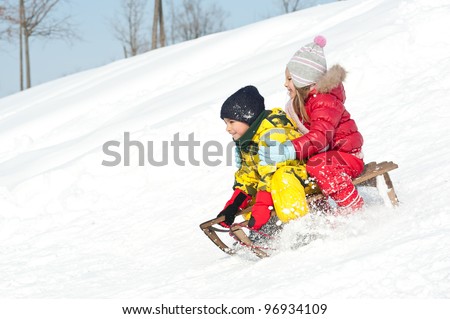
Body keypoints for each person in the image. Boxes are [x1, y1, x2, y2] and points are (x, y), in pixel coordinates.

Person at [259, 36, 365, 213]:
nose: (285, 84)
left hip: (348, 156)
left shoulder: (324, 100)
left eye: (290, 79)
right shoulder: (302, 104)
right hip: (330, 156)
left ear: (303, 80)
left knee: (317, 165)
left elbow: (320, 137)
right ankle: (322, 215)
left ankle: (353, 208)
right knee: (304, 168)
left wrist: (289, 149)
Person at [216, 85, 320, 230]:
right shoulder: (247, 141)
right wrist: (233, 206)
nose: (227, 128)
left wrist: (262, 207)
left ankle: (299, 226)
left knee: (280, 178)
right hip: (284, 184)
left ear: (248, 117)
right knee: (253, 194)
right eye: (226, 123)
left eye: (231, 122)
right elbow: (248, 177)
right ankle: (264, 229)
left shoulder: (272, 133)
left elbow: (271, 173)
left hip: (306, 178)